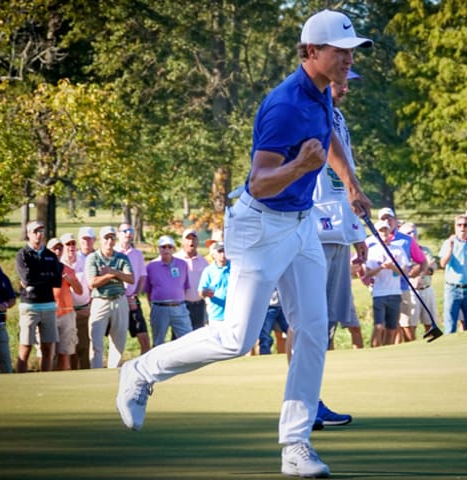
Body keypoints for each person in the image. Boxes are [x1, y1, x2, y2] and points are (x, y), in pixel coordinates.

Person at [116, 10, 372, 478]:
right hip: (260, 226)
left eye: (351, 51)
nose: (348, 59)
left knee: (313, 329)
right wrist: (298, 168)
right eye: (340, 51)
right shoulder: (286, 105)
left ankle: (295, 445)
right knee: (237, 337)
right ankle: (141, 372)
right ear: (312, 52)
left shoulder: (318, 97)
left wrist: (350, 183)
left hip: (300, 225)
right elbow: (258, 183)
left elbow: (329, 137)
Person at [312, 70, 367, 351]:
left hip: (340, 229)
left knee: (334, 312)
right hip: (315, 227)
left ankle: (329, 369)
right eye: (340, 84)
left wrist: (357, 230)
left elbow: (349, 175)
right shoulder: (310, 113)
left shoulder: (339, 118)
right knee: (314, 312)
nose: (346, 89)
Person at [15, 221, 63, 373]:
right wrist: (46, 275)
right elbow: (27, 278)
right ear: (28, 234)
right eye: (35, 231)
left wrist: (39, 276)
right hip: (29, 306)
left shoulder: (50, 255)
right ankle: (20, 380)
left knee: (48, 348)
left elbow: (57, 281)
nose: (39, 234)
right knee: (25, 347)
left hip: (48, 305)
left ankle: (45, 379)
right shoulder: (22, 255)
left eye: (41, 231)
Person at [87, 226, 135, 368]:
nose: (109, 240)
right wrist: (114, 275)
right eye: (106, 238)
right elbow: (92, 283)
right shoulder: (93, 258)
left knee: (119, 341)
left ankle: (113, 371)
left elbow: (131, 278)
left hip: (119, 300)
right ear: (100, 240)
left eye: (112, 238)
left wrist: (111, 272)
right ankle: (96, 372)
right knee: (96, 340)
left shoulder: (122, 257)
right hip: (100, 301)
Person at [365, 221, 408, 345]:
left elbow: (405, 272)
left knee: (391, 328)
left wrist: (392, 267)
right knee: (379, 326)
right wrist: (381, 267)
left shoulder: (398, 250)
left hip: (395, 292)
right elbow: (367, 274)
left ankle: (387, 351)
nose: (384, 233)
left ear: (390, 232)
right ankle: (375, 351)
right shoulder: (373, 251)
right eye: (381, 230)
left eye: (386, 230)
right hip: (379, 293)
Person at [145, 236, 193, 346]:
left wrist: (177, 300)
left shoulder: (182, 264)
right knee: (158, 342)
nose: (166, 249)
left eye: (169, 247)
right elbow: (148, 291)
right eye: (163, 247)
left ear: (173, 249)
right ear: (159, 249)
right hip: (159, 308)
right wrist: (154, 306)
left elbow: (185, 286)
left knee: (188, 340)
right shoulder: (151, 266)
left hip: (179, 308)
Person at [47, 238, 83, 370]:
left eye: (59, 248)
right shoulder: (42, 268)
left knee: (65, 352)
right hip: (48, 314)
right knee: (47, 352)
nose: (57, 251)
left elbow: (79, 290)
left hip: (66, 314)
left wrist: (69, 280)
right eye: (54, 248)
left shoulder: (67, 269)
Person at [399, 222, 439, 336]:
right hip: (411, 291)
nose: (413, 234)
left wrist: (420, 268)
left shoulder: (425, 250)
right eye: (409, 233)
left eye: (414, 232)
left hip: (427, 289)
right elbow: (410, 273)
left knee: (430, 323)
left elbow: (432, 269)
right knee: (410, 325)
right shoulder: (402, 252)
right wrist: (424, 266)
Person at [118, 223, 151, 354]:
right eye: (125, 231)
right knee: (115, 338)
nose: (128, 233)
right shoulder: (113, 252)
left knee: (143, 337)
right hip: (117, 300)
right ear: (118, 234)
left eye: (130, 230)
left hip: (133, 300)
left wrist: (136, 294)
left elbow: (142, 276)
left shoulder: (137, 254)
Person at [174, 229, 208, 330]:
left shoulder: (204, 262)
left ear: (197, 242)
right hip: (181, 304)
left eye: (194, 239)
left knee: (196, 336)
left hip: (199, 305)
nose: (191, 242)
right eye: (188, 239)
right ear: (182, 242)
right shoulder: (175, 259)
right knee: (179, 337)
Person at [71, 227, 94, 369]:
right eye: (84, 239)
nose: (87, 242)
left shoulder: (98, 256)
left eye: (89, 239)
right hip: (73, 309)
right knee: (72, 346)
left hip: (92, 307)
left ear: (94, 240)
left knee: (86, 346)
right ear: (80, 241)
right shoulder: (74, 257)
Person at [198, 242, 230, 323]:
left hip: (233, 315)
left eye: (225, 251)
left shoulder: (235, 269)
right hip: (216, 315)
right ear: (213, 255)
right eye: (220, 251)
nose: (223, 254)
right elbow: (201, 292)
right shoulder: (208, 271)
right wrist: (206, 292)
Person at [258, 289, 289, 355]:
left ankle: (300, 355)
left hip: (283, 306)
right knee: (265, 337)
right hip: (268, 307)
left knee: (294, 333)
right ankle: (264, 358)